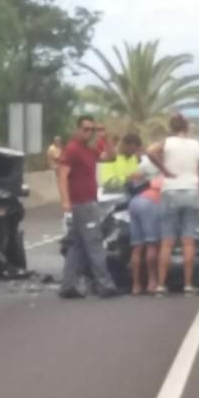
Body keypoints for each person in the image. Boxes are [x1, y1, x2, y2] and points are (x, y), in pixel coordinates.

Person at [58, 115, 119, 299]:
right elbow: (62, 175)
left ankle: (68, 285)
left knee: (76, 246)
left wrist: (105, 138)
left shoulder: (88, 150)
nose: (89, 133)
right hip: (82, 204)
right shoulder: (72, 149)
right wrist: (65, 201)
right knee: (94, 244)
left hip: (88, 201)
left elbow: (111, 157)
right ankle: (105, 284)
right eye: (85, 129)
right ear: (77, 129)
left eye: (92, 130)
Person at [149, 113, 199, 295]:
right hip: (191, 190)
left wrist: (164, 170)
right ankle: (188, 285)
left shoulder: (167, 143)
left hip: (170, 190)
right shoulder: (197, 145)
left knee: (167, 242)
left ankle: (161, 285)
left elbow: (149, 151)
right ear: (186, 127)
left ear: (171, 128)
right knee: (189, 242)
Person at [127, 136, 163, 295]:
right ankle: (152, 281)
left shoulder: (145, 163)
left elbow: (131, 178)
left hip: (135, 202)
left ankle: (135, 285)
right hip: (151, 202)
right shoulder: (165, 165)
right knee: (152, 244)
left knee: (137, 246)